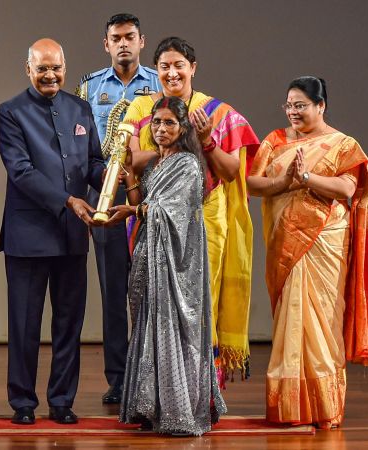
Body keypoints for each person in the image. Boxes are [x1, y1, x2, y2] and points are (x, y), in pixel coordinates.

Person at [247, 76, 368, 429]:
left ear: (320, 106)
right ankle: (290, 409)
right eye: (289, 105)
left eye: (301, 106)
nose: (293, 112)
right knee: (290, 317)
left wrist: (306, 177)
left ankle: (324, 407)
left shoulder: (342, 144)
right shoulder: (275, 140)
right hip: (285, 241)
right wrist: (283, 183)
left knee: (322, 319)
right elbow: (251, 182)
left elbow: (346, 187)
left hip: (324, 237)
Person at [124, 37, 259, 385]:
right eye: (164, 66)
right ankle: (161, 389)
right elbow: (130, 160)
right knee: (158, 304)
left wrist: (207, 141)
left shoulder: (217, 112)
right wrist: (178, 146)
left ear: (192, 68)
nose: (172, 73)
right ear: (156, 70)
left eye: (179, 65)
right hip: (155, 218)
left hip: (204, 219)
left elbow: (230, 172)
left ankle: (201, 390)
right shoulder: (141, 108)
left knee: (200, 302)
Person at [0, 38, 105, 425]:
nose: (50, 75)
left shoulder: (80, 107)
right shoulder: (10, 112)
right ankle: (22, 402)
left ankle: (62, 400)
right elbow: (21, 171)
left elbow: (92, 161)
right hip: (28, 234)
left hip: (73, 235)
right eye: (41, 68)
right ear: (28, 69)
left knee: (68, 324)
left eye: (56, 67)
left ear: (65, 66)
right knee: (24, 325)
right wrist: (68, 200)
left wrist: (109, 176)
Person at [105, 96, 226, 435]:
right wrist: (129, 179)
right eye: (156, 123)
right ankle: (150, 406)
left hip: (176, 263)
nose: (160, 129)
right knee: (148, 324)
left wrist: (134, 211)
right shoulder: (157, 165)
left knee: (171, 324)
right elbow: (142, 205)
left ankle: (178, 410)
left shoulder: (188, 164)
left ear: (183, 127)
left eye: (169, 123)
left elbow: (169, 214)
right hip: (150, 255)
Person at [75, 13, 161, 405]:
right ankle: (119, 377)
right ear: (105, 43)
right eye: (116, 38)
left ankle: (156, 373)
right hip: (106, 198)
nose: (123, 43)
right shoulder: (89, 87)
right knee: (113, 289)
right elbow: (80, 146)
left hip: (150, 196)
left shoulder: (160, 84)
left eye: (130, 37)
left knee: (152, 288)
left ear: (142, 41)